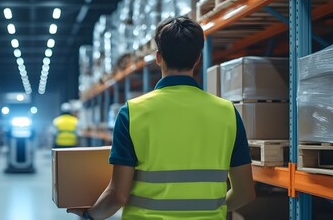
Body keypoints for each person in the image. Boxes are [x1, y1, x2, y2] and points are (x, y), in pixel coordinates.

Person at [68, 16, 255, 220]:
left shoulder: (132, 113)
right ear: (198, 59)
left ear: (158, 57)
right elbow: (245, 192)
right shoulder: (227, 112)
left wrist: (89, 216)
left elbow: (117, 196)